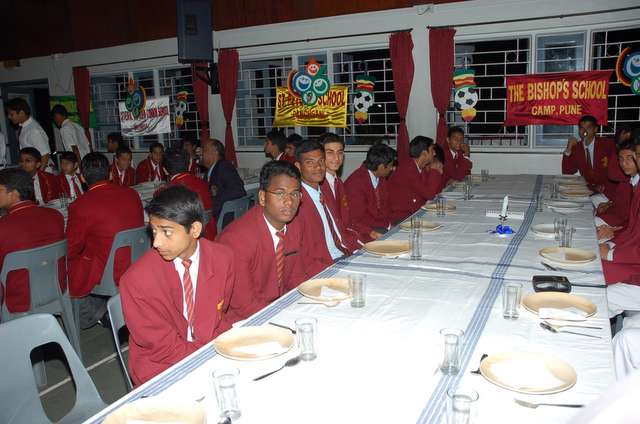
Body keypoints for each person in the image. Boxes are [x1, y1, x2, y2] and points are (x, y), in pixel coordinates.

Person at [120, 185, 235, 385]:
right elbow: (163, 347)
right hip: (161, 367)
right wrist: (211, 357)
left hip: (209, 349)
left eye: (166, 232)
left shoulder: (223, 258)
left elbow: (221, 316)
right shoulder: (136, 280)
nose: (156, 242)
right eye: (153, 231)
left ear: (194, 229)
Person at [218, 161, 308, 323]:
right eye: (280, 193)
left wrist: (303, 306)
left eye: (295, 194)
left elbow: (297, 277)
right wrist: (284, 318)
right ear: (262, 197)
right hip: (243, 320)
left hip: (278, 308)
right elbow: (244, 304)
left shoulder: (294, 225)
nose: (289, 201)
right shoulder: (237, 240)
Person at [67, 153, 144, 329]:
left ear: (82, 178)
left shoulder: (81, 205)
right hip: (137, 261)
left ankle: (100, 314)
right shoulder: (132, 194)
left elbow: (71, 248)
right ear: (110, 173)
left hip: (108, 271)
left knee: (65, 268)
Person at [0, 168, 65, 313]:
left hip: (19, 299)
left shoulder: (3, 226)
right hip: (56, 288)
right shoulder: (55, 216)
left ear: (14, 193)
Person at [295, 140, 354, 276]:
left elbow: (341, 230)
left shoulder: (325, 193)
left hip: (345, 253)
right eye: (310, 162)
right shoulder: (297, 202)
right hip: (325, 265)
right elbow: (302, 254)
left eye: (321, 161)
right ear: (298, 166)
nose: (318, 167)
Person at [344, 143, 397, 242]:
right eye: (390, 166)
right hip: (363, 229)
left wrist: (391, 223)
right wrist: (388, 225)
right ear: (381, 167)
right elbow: (358, 218)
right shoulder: (355, 183)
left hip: (378, 224)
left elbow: (386, 207)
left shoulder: (380, 177)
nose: (392, 168)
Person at [164, 147, 217, 240]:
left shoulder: (167, 190)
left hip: (189, 240)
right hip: (210, 235)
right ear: (189, 166)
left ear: (165, 170)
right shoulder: (203, 183)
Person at [388, 136, 444, 223]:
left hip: (415, 212)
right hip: (401, 217)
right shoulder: (408, 169)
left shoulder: (420, 167)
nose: (434, 153)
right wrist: (435, 172)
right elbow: (429, 194)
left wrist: (437, 172)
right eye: (432, 150)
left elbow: (435, 192)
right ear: (424, 154)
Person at [562, 115, 616, 198]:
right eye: (582, 128)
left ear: (595, 129)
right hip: (588, 191)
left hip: (608, 190)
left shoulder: (607, 144)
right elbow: (568, 171)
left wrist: (605, 186)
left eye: (588, 128)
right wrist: (568, 149)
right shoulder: (577, 148)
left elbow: (617, 169)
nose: (584, 131)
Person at [596, 140, 638, 238]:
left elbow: (634, 223)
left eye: (629, 158)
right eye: (620, 159)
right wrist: (609, 204)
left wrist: (614, 232)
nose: (624, 163)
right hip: (622, 226)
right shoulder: (631, 180)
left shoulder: (634, 183)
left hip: (629, 234)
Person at [199, 138, 246, 221]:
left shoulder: (224, 166)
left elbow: (238, 190)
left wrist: (213, 202)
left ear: (215, 152)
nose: (201, 153)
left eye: (205, 150)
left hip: (223, 217)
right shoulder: (210, 171)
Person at [6, 97, 51, 171]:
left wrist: (39, 175)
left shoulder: (34, 130)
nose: (9, 117)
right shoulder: (24, 127)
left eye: (11, 114)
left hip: (41, 171)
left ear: (21, 113)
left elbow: (45, 155)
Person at [319, 133, 351, 226]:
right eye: (330, 153)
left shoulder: (338, 182)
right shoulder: (317, 185)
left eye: (340, 153)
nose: (336, 158)